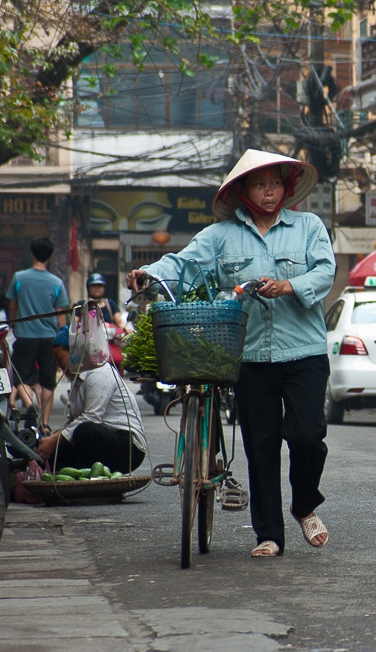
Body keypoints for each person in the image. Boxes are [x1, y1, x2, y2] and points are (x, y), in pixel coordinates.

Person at [126, 149, 335, 558]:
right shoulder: (221, 235)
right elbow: (183, 264)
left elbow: (325, 272)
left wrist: (288, 286)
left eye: (275, 183)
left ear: (286, 186)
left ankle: (304, 504)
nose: (270, 191)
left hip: (304, 351)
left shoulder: (308, 226)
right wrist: (149, 275)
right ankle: (269, 535)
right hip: (250, 355)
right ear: (242, 191)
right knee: (261, 444)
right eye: (260, 184)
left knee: (308, 437)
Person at [36, 326, 147, 474]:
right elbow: (73, 420)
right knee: (55, 452)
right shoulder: (78, 378)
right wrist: (53, 441)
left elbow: (92, 417)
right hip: (101, 439)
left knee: (84, 431)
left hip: (127, 447)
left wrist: (55, 439)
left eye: (59, 359)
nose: (59, 366)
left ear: (74, 352)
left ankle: (90, 480)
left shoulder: (99, 372)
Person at [7, 236, 71, 434]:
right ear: (51, 255)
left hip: (25, 336)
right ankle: (44, 423)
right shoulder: (57, 282)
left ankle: (28, 404)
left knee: (22, 377)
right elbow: (60, 315)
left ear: (32, 253)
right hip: (49, 339)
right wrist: (62, 338)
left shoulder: (19, 278)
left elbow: (12, 305)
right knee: (47, 381)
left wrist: (14, 325)